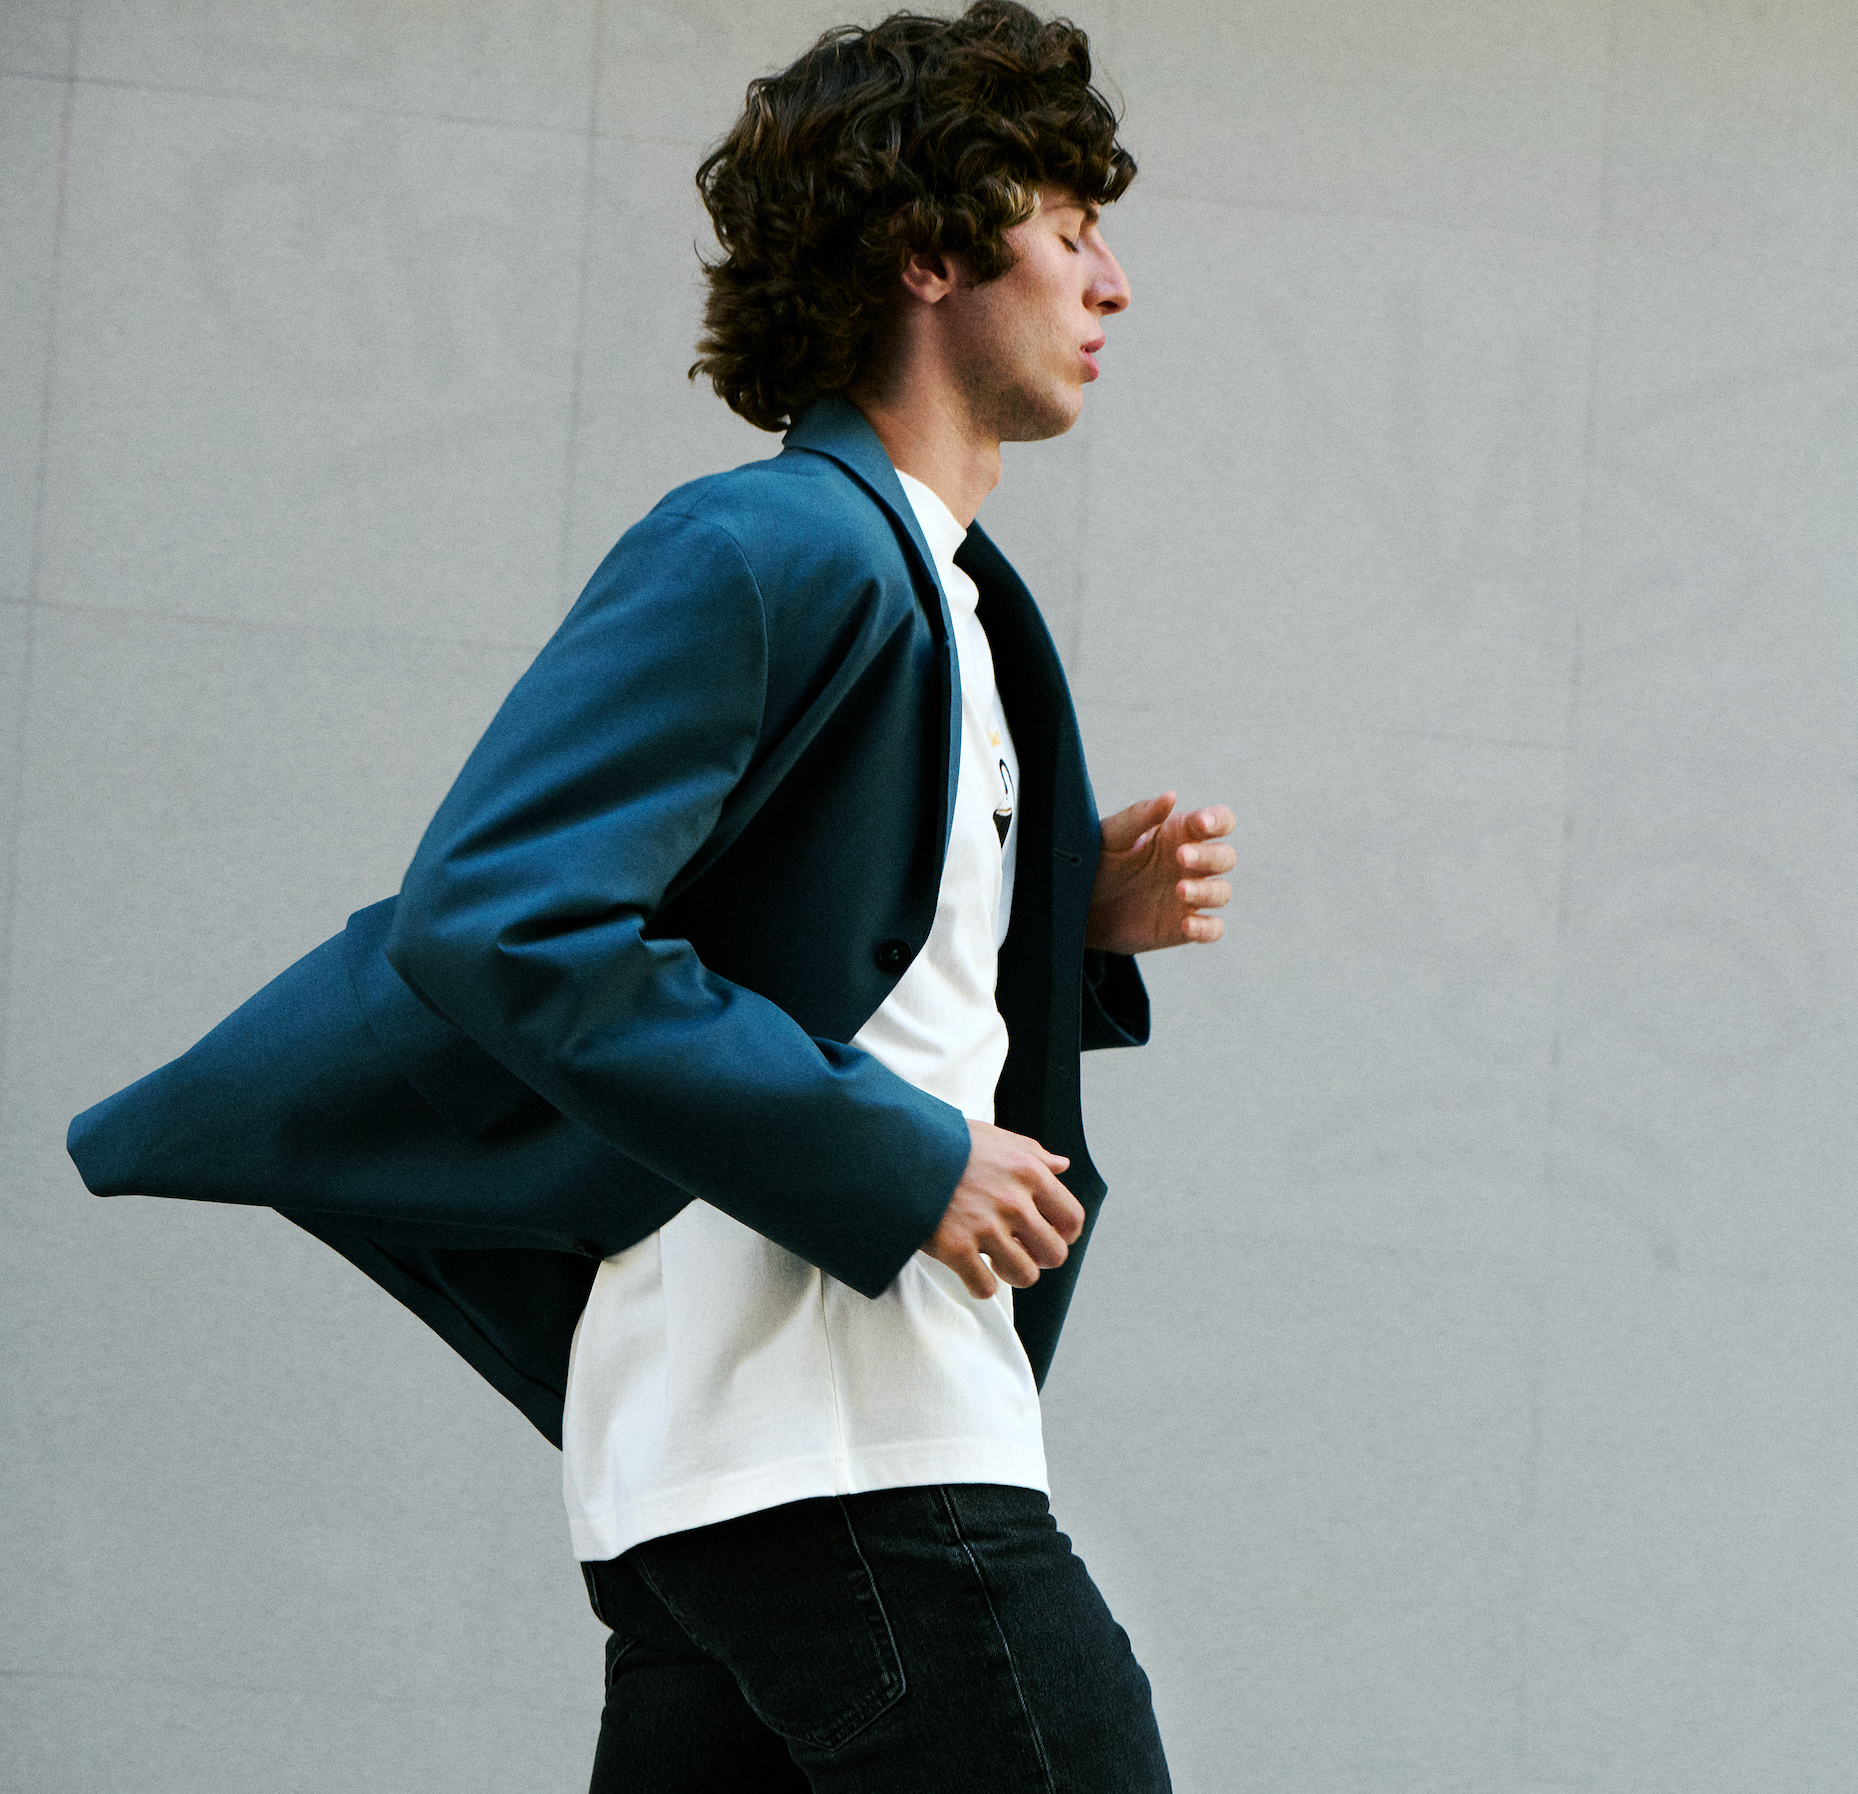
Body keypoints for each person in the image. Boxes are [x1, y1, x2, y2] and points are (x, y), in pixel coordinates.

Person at [66, 4, 1231, 1788]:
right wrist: (906, 1160)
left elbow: (809, 939)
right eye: (1069, 228)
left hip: (756, 1462)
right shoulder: (770, 542)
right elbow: (503, 917)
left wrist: (1060, 927)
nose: (1114, 281)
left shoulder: (943, 587)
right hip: (852, 1441)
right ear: (930, 249)